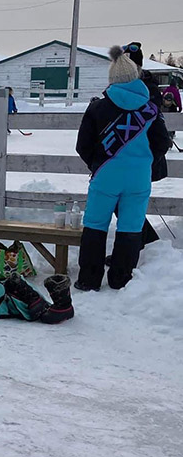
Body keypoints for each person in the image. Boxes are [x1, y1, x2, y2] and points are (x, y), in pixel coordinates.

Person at [74, 46, 171, 292]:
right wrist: (144, 162)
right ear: (136, 77)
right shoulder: (150, 109)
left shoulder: (97, 108)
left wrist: (97, 163)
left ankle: (89, 279)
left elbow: (83, 145)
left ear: (112, 79)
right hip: (138, 178)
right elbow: (162, 143)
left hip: (106, 175)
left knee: (95, 224)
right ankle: (120, 279)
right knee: (131, 226)